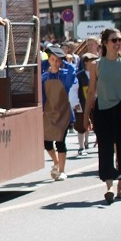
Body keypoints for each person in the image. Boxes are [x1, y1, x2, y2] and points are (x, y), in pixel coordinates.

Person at [85, 28, 121, 204]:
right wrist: (86, 115)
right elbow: (92, 92)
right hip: (103, 112)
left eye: (119, 40)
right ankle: (109, 187)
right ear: (105, 43)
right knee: (106, 149)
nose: (117, 43)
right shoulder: (96, 65)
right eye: (113, 40)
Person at [41, 45, 79, 181]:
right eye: (52, 60)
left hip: (63, 113)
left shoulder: (65, 74)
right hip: (49, 112)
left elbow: (73, 72)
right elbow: (42, 96)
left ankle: (62, 170)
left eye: (58, 60)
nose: (55, 62)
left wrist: (67, 61)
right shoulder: (44, 77)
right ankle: (56, 162)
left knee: (60, 142)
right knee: (46, 142)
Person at [73, 53, 97, 156]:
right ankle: (81, 147)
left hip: (96, 105)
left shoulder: (97, 74)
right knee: (81, 125)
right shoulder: (79, 76)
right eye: (91, 60)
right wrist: (76, 104)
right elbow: (73, 91)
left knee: (98, 125)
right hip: (82, 104)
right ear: (85, 62)